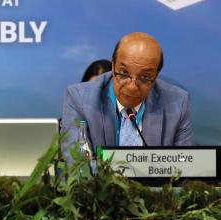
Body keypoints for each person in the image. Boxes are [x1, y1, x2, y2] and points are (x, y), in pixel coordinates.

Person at [60, 32, 194, 162]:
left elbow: (185, 167)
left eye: (145, 77)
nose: (132, 87)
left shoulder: (177, 102)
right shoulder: (79, 99)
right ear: (113, 66)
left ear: (156, 76)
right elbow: (77, 166)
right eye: (124, 73)